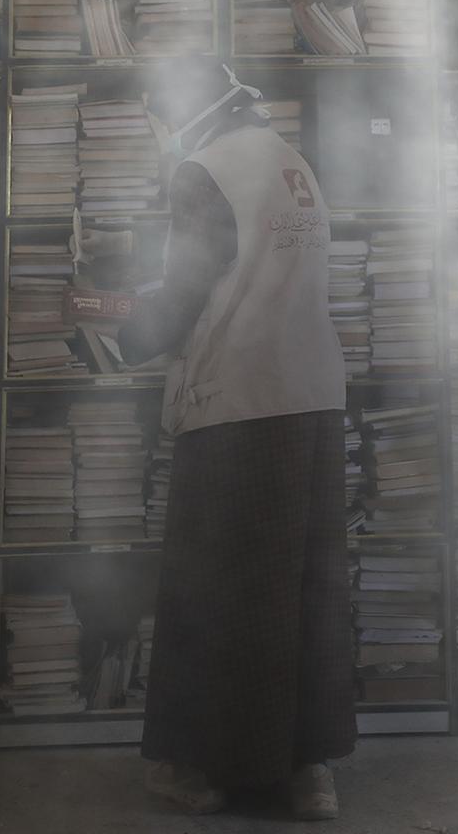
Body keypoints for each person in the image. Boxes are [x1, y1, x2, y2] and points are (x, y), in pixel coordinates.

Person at [78, 60, 354, 820]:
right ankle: (308, 772)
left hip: (238, 403)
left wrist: (113, 334)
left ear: (192, 114)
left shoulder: (204, 172)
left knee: (211, 592)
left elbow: (189, 291)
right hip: (313, 401)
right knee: (305, 593)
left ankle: (188, 767)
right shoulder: (293, 163)